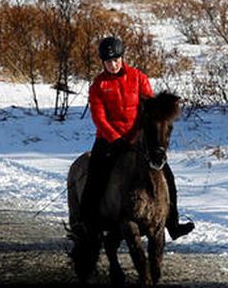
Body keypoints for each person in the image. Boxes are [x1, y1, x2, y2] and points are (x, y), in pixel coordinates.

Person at [78, 35, 194, 239]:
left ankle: (172, 223)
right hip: (108, 140)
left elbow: (149, 111)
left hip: (138, 140)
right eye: (108, 61)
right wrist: (116, 139)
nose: (112, 65)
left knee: (167, 175)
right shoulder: (98, 85)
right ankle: (86, 222)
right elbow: (99, 118)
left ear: (122, 58)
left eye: (116, 60)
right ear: (102, 62)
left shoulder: (139, 78)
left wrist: (141, 135)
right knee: (95, 175)